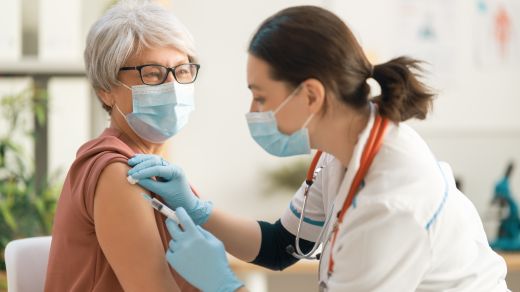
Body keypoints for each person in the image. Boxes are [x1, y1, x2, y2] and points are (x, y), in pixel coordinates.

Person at [127, 5, 509, 292]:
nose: (252, 112)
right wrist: (197, 209)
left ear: (310, 95)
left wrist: (223, 284)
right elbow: (281, 246)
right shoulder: (340, 154)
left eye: (260, 97)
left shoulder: (392, 204)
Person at [44, 1, 200, 291]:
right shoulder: (117, 172)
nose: (173, 86)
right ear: (106, 90)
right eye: (152, 73)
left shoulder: (157, 169)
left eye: (182, 70)